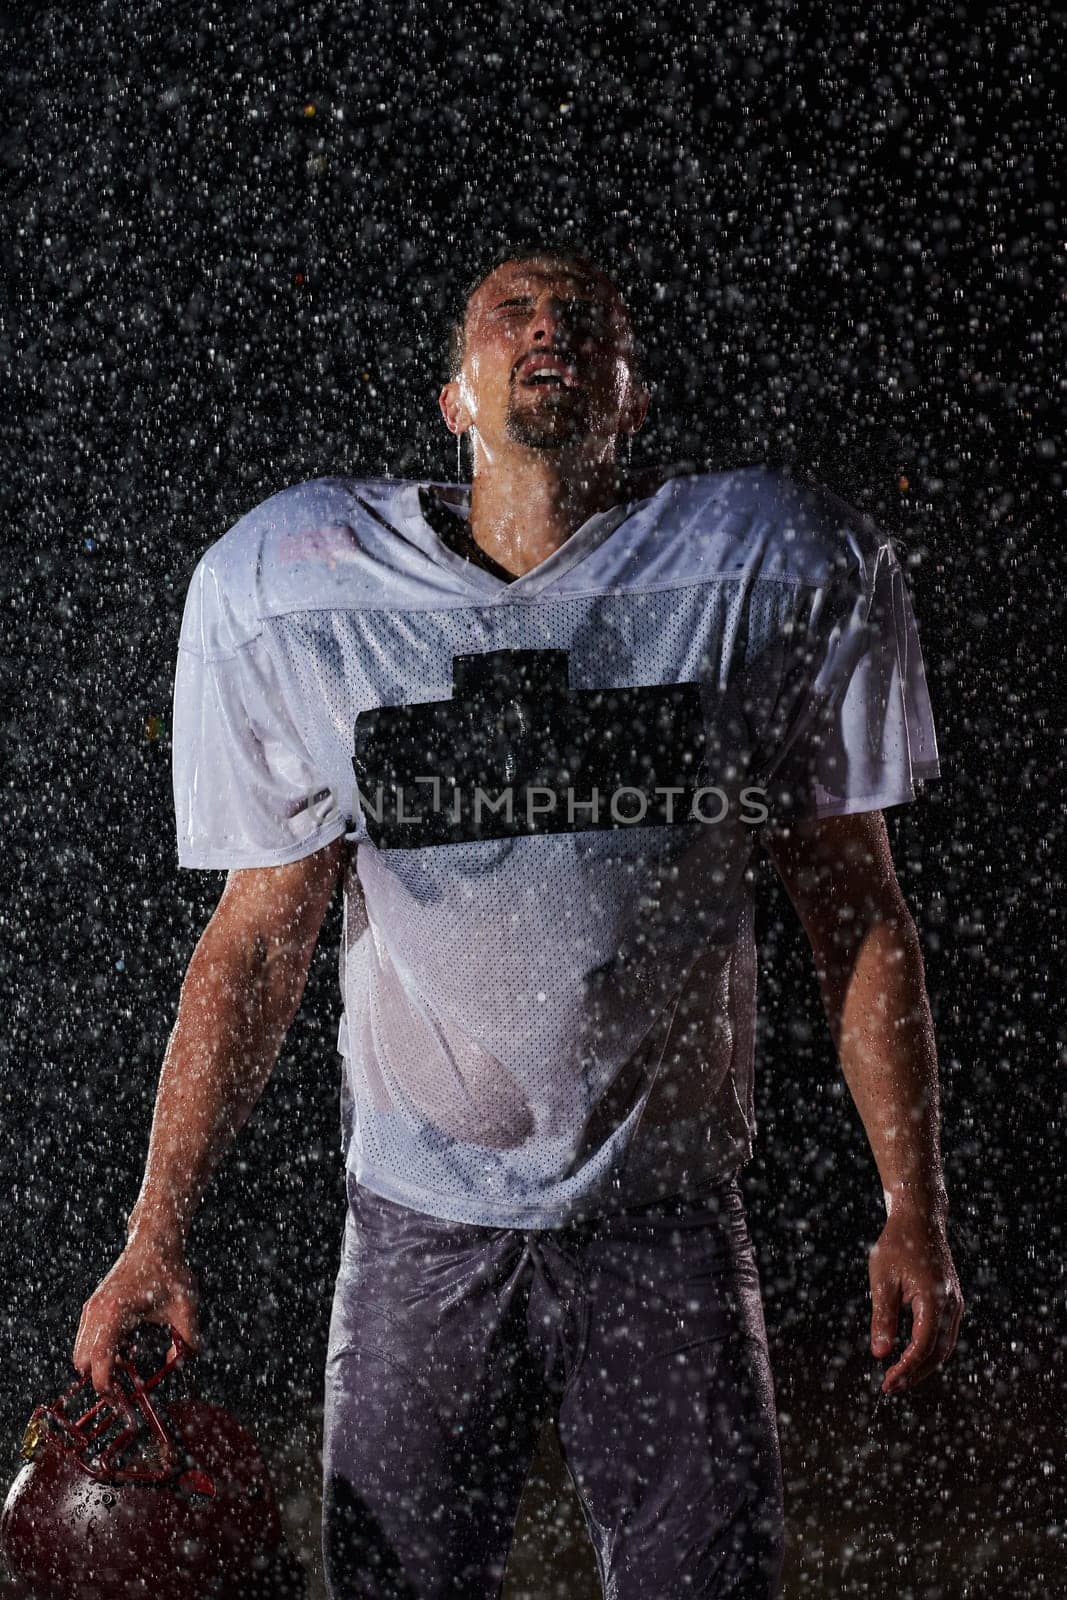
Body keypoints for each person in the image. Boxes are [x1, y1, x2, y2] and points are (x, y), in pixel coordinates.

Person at [74, 243, 963, 1599]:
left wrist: (917, 1208)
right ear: (453, 398)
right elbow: (257, 942)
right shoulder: (310, 592)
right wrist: (156, 1229)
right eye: (512, 312)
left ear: (633, 392)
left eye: (585, 318)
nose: (549, 327)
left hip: (664, 1214)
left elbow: (858, 917)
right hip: (420, 1219)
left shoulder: (759, 577)